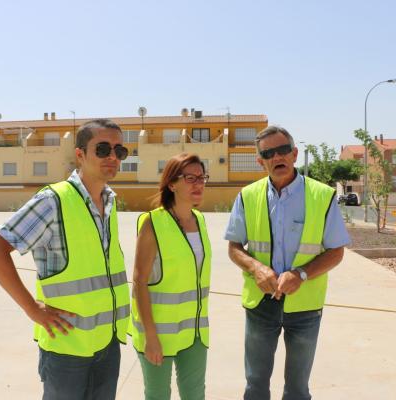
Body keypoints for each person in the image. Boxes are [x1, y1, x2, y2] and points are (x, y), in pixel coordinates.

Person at [0, 119, 131, 400]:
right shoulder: (53, 200)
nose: (112, 157)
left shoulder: (109, 202)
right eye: (102, 149)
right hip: (67, 350)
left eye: (119, 151)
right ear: (80, 155)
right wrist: (32, 308)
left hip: (107, 343)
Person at [224, 126, 350, 400]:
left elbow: (336, 251)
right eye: (268, 153)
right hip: (260, 304)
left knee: (297, 388)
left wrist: (301, 274)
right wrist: (256, 267)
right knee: (255, 384)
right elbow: (234, 248)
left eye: (282, 150)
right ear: (260, 161)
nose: (276, 157)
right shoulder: (247, 196)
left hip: (305, 307)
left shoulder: (322, 195)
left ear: (294, 154)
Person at [130, 153, 212, 400]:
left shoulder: (200, 220)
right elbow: (139, 282)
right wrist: (151, 337)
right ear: (172, 183)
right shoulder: (153, 222)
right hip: (159, 332)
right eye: (190, 178)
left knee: (195, 394)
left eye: (201, 177)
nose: (198, 183)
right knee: (157, 396)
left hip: (195, 331)